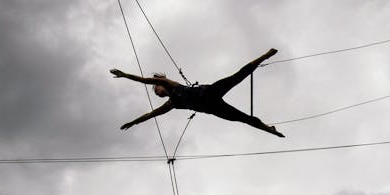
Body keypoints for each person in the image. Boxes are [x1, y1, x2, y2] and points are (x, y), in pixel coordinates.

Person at [111, 48, 285, 136]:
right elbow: (151, 114)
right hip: (212, 108)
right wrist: (133, 122)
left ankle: (264, 56)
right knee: (243, 119)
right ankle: (269, 129)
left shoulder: (169, 83)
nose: (156, 92)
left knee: (237, 76)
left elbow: (145, 80)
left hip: (209, 93)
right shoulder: (171, 104)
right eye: (156, 92)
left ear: (160, 83)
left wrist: (125, 75)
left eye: (156, 89)